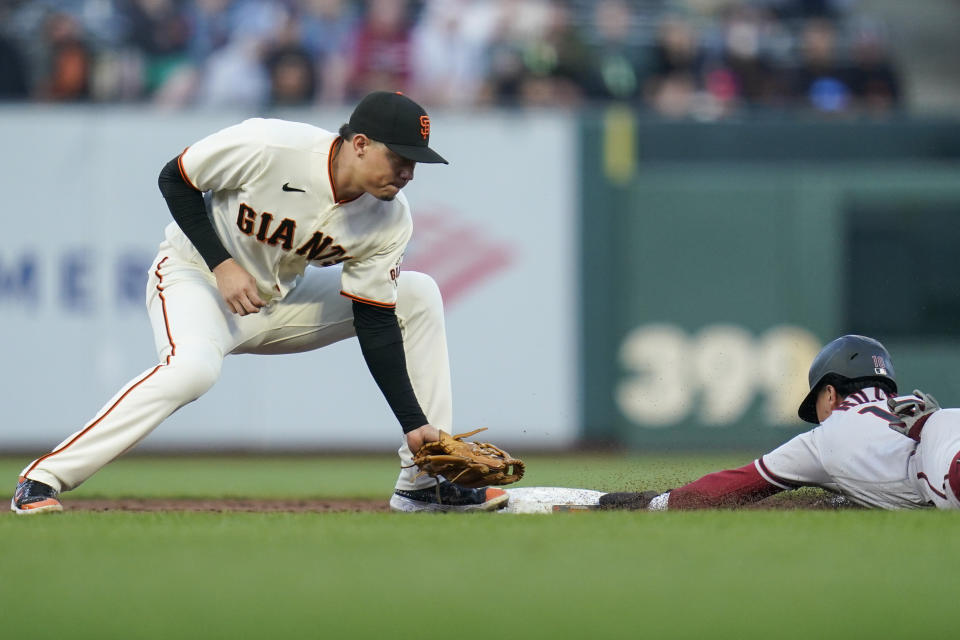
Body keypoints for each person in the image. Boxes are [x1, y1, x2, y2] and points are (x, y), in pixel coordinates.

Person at [11, 90, 508, 515]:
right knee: (193, 370)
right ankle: (43, 478)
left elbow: (374, 320)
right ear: (359, 144)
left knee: (417, 294)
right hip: (196, 279)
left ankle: (423, 484)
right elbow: (175, 179)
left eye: (415, 162)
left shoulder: (389, 219)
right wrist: (222, 264)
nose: (408, 173)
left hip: (275, 303)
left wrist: (412, 422)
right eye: (399, 158)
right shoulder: (272, 145)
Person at [600, 335, 960, 511]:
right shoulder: (907, 407)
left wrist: (659, 503)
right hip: (945, 431)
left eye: (817, 401)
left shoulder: (824, 439)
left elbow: (734, 485)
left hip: (942, 462)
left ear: (831, 394)